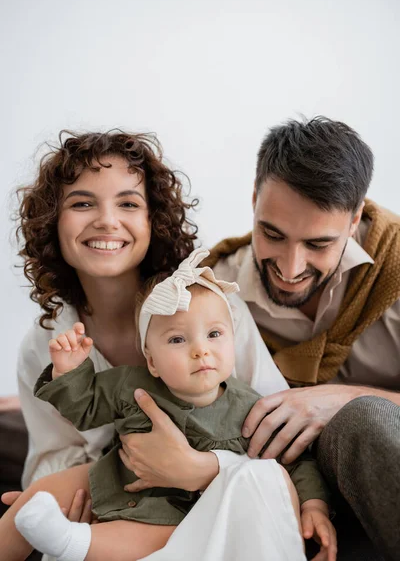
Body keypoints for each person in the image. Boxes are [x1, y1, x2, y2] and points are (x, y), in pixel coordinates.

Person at [1, 129, 300, 561]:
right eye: (82, 203)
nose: (106, 220)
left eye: (128, 203)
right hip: (108, 501)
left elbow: (276, 430)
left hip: (219, 493)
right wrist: (66, 494)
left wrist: (196, 469)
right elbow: (51, 456)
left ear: (153, 219)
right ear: (52, 222)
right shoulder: (45, 344)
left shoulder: (214, 310)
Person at [2, 248, 336, 561]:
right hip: (114, 478)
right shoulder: (132, 384)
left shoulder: (251, 410)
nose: (200, 350)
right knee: (39, 495)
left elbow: (294, 461)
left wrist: (315, 505)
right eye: (178, 339)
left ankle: (69, 541)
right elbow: (85, 408)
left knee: (163, 537)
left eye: (215, 335)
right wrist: (69, 370)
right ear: (151, 361)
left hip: (176, 512)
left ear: (234, 340)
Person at [205, 116, 400, 561]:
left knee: (362, 418)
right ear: (254, 201)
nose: (290, 268)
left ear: (353, 222)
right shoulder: (214, 289)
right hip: (290, 487)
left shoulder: (396, 267)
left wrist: (338, 399)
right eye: (272, 234)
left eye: (317, 244)